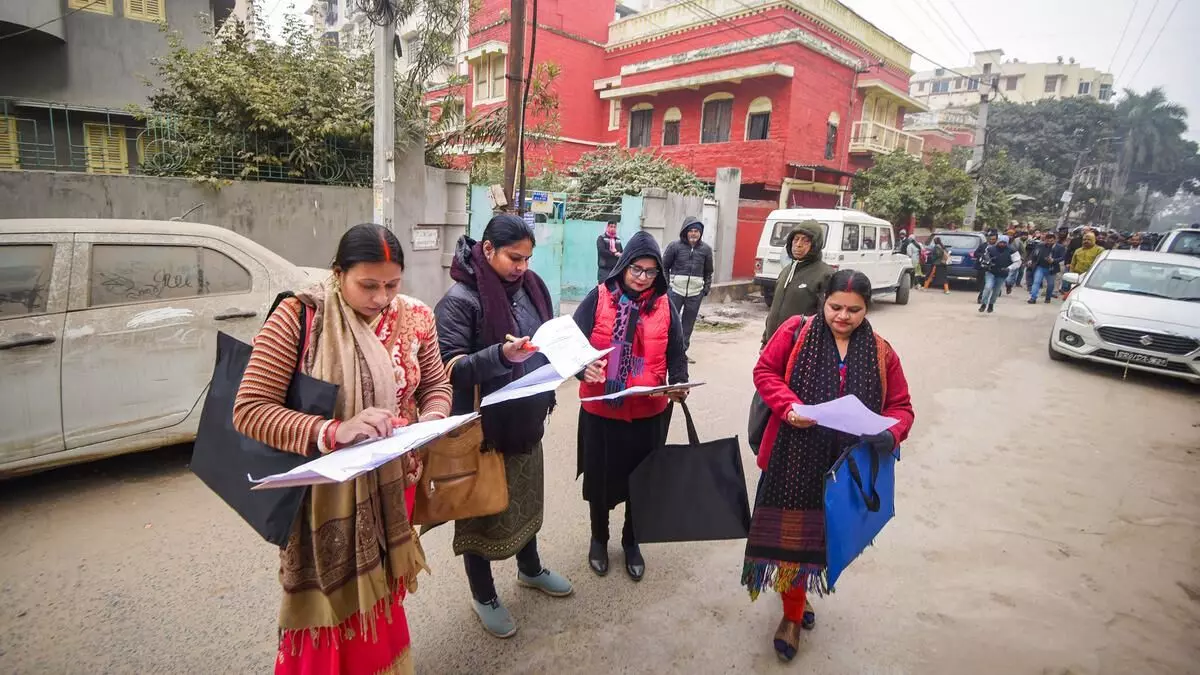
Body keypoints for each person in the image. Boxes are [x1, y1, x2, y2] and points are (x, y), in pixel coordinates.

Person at [233, 223, 453, 675]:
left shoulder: (416, 317)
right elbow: (250, 410)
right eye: (367, 285)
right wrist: (333, 431)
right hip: (325, 499)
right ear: (338, 273)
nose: (381, 298)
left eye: (392, 284)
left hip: (394, 488)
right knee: (330, 609)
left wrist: (429, 421)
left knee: (383, 595)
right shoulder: (301, 317)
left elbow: (436, 385)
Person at [746, 269, 915, 663]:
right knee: (791, 541)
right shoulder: (794, 331)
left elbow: (901, 408)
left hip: (844, 471)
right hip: (792, 459)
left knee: (821, 541)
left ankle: (798, 595)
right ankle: (791, 615)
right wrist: (789, 407)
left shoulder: (881, 351)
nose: (843, 316)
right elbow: (764, 372)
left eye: (854, 310)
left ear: (866, 309)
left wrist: (890, 433)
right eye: (836, 307)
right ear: (824, 301)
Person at [434, 214, 574, 639]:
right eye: (514, 257)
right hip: (484, 432)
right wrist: (501, 355)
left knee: (525, 502)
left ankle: (530, 569)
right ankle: (484, 595)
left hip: (526, 419)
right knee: (481, 512)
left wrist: (576, 365)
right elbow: (449, 368)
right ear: (488, 249)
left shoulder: (531, 289)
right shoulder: (461, 299)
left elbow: (546, 345)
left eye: (528, 259)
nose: (522, 267)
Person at [572, 231, 690, 582]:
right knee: (601, 479)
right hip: (602, 409)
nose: (642, 278)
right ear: (623, 267)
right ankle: (599, 538)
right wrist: (582, 368)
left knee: (642, 480)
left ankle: (632, 541)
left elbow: (676, 353)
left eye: (651, 272)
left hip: (648, 412)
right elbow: (572, 344)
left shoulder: (666, 305)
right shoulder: (599, 297)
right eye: (636, 269)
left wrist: (680, 383)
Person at [762, 220, 835, 347]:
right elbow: (774, 310)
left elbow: (826, 319)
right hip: (773, 345)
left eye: (806, 241)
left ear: (816, 245)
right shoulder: (786, 271)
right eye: (796, 239)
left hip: (800, 348)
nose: (798, 245)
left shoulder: (825, 275)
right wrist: (765, 341)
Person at [662, 216, 714, 362]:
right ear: (685, 232)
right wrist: (667, 287)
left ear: (700, 233)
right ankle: (665, 351)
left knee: (688, 325)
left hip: (695, 293)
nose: (693, 233)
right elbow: (664, 267)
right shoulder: (674, 247)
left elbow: (708, 271)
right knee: (671, 322)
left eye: (696, 231)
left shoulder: (706, 250)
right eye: (690, 230)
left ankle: (681, 353)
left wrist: (705, 289)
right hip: (675, 291)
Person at [979, 234, 1017, 313]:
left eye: (1004, 243)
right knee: (988, 287)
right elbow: (983, 258)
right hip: (991, 272)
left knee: (996, 291)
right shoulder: (990, 249)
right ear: (998, 241)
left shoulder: (1012, 250)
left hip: (1002, 274)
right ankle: (983, 304)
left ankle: (991, 304)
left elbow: (1018, 262)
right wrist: (987, 262)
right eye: (1000, 242)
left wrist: (1009, 268)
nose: (1002, 244)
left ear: (1007, 243)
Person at [1027, 231, 1066, 304]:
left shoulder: (1060, 247)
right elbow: (1034, 254)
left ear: (1055, 240)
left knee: (1050, 284)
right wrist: (1030, 260)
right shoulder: (1040, 245)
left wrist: (1053, 260)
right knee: (1036, 282)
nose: (1049, 242)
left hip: (1051, 268)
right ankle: (1033, 298)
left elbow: (1063, 257)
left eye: (1051, 240)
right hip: (1040, 267)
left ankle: (1048, 297)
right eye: (1047, 240)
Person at [974, 230, 998, 303]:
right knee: (980, 281)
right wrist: (983, 256)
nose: (991, 241)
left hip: (992, 268)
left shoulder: (998, 247)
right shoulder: (983, 245)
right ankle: (982, 293)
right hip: (982, 266)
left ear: (996, 239)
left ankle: (981, 296)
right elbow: (976, 253)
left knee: (986, 283)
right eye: (990, 239)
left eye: (993, 239)